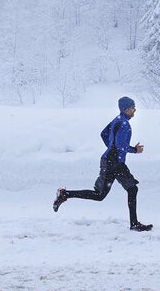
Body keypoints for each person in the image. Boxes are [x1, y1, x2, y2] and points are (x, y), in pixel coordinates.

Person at [53, 96, 152, 231]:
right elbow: (120, 145)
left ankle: (134, 223)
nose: (135, 110)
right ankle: (65, 194)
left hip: (114, 162)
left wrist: (110, 147)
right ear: (126, 109)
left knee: (129, 189)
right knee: (102, 194)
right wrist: (134, 150)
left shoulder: (116, 120)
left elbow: (103, 134)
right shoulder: (123, 124)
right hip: (113, 163)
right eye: (133, 107)